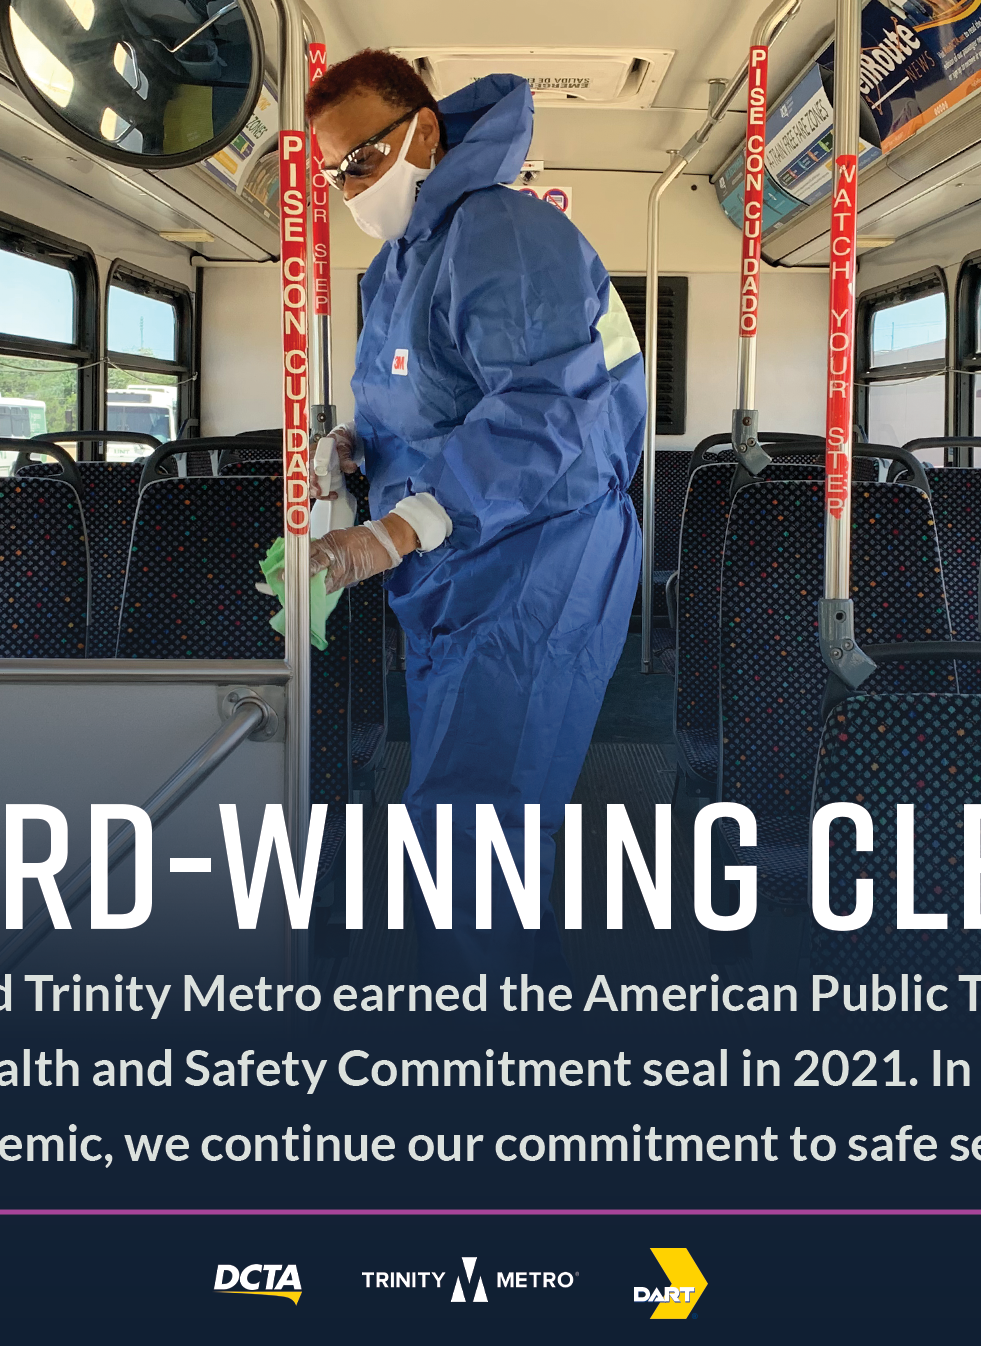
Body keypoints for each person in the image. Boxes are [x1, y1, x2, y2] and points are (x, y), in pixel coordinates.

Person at [303, 50, 645, 979]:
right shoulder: (402, 260)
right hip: (460, 572)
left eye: (361, 160)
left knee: (474, 828)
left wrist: (395, 530)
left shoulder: (503, 232)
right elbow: (425, 409)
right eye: (333, 172)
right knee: (467, 813)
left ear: (421, 131)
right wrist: (359, 460)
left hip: (535, 566)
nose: (349, 187)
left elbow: (545, 416)